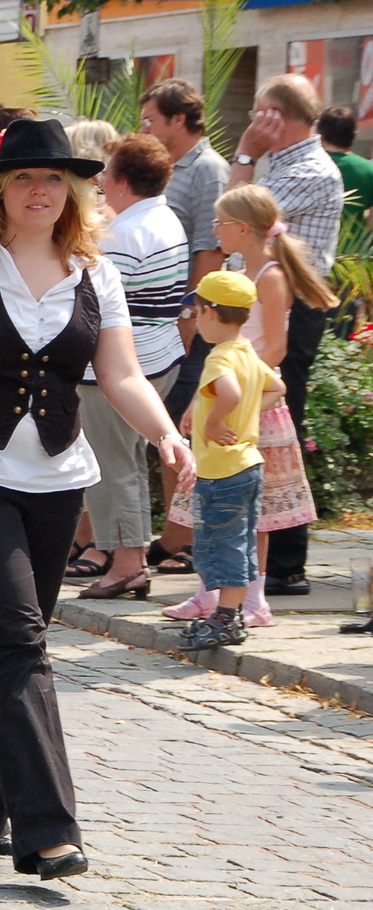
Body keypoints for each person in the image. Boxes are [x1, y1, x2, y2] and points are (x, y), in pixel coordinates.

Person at [0, 118, 192, 880]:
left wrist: (166, 435)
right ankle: (48, 829)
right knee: (20, 637)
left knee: (2, 636)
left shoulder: (97, 273)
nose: (40, 190)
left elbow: (119, 375)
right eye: (25, 177)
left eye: (55, 179)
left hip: (57, 478)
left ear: (75, 192)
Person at [164, 185, 334, 629]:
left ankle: (253, 597)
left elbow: (275, 347)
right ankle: (210, 591)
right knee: (211, 500)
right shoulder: (236, 273)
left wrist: (236, 384)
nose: (215, 230)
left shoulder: (271, 278)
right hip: (229, 394)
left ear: (242, 228)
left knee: (253, 511)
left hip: (254, 404)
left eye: (220, 223)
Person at [230, 75, 344, 597]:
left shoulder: (309, 168)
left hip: (290, 311)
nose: (255, 123)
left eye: (260, 113)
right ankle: (268, 557)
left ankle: (285, 562)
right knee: (266, 429)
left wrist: (246, 154)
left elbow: (236, 216)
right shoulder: (294, 164)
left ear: (277, 114)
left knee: (279, 427)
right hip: (276, 303)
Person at [69, 134, 189, 596]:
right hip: (159, 354)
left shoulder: (124, 234)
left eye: (104, 175)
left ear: (119, 180)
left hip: (120, 365)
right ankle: (129, 555)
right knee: (129, 461)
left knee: (113, 463)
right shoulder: (165, 219)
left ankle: (127, 562)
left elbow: (93, 300)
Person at [138, 79, 230, 573]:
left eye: (152, 119)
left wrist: (190, 315)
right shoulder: (173, 169)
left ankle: (185, 540)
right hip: (167, 320)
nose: (145, 128)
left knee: (178, 426)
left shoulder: (208, 169)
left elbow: (210, 251)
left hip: (191, 319)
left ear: (179, 119)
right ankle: (176, 534)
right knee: (168, 429)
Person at [173, 271, 285, 651]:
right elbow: (277, 387)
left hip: (223, 470)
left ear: (208, 312)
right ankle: (231, 612)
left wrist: (218, 419)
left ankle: (227, 617)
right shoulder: (247, 352)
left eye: (196, 311)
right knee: (239, 540)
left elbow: (231, 393)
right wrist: (242, 415)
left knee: (222, 543)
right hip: (247, 465)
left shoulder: (219, 357)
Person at [318, 104, 373, 232]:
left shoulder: (307, 166)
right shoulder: (368, 171)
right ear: (353, 135)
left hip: (310, 248)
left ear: (321, 134)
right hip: (352, 249)